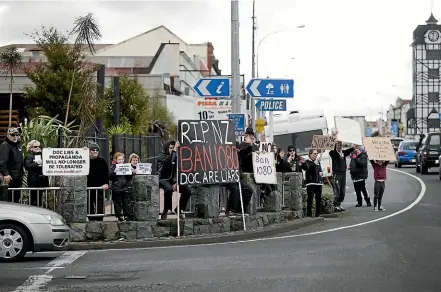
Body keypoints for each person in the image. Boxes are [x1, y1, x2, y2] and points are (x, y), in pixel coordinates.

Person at [157, 140, 192, 219]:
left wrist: (177, 182)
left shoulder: (176, 156)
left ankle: (179, 209)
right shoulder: (162, 156)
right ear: (166, 148)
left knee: (187, 190)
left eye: (173, 148)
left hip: (173, 179)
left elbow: (179, 170)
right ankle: (166, 210)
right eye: (170, 148)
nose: (172, 150)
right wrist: (174, 151)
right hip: (163, 178)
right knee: (168, 189)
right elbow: (168, 162)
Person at [224, 127, 254, 216]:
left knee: (248, 190)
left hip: (237, 176)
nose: (236, 150)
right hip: (227, 176)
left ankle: (239, 209)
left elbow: (245, 151)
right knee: (235, 189)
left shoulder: (238, 153)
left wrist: (250, 144)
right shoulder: (224, 152)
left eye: (237, 149)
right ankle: (230, 209)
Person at [329, 134, 354, 212]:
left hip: (343, 174)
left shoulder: (343, 153)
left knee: (342, 191)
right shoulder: (333, 154)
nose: (339, 146)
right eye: (337, 145)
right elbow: (331, 151)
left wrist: (354, 146)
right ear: (335, 146)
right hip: (336, 174)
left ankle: (339, 204)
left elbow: (349, 150)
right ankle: (336, 205)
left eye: (340, 145)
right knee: (337, 190)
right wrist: (334, 137)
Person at [109, 152, 135, 221]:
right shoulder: (112, 167)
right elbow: (110, 177)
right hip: (116, 188)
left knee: (126, 202)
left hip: (125, 187)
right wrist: (115, 172)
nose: (121, 161)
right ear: (115, 160)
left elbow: (129, 179)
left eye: (122, 159)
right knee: (117, 203)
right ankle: (119, 216)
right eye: (119, 159)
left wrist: (130, 173)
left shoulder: (126, 166)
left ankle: (126, 215)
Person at [86, 142, 109, 221]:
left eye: (97, 150)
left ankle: (99, 220)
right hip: (88, 187)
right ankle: (91, 220)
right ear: (89, 151)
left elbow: (107, 174)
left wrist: (106, 183)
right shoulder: (84, 161)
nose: (95, 151)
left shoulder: (102, 161)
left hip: (100, 187)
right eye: (93, 150)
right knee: (89, 204)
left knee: (99, 204)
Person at [0, 128, 24, 203]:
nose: (15, 136)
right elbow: (2, 162)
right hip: (10, 177)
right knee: (9, 200)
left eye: (17, 134)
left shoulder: (18, 145)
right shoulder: (5, 145)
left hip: (18, 176)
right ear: (8, 135)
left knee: (16, 199)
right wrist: (6, 174)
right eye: (13, 135)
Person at [24, 140, 49, 207]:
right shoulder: (29, 156)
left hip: (42, 180)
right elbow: (27, 166)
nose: (38, 148)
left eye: (39, 146)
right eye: (35, 146)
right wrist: (37, 163)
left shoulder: (44, 155)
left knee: (40, 199)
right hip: (33, 181)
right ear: (31, 148)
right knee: (32, 199)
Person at [301, 149, 323, 217]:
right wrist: (314, 164)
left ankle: (318, 213)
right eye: (314, 154)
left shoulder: (318, 162)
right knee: (310, 199)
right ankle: (309, 214)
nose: (316, 155)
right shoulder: (307, 161)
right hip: (311, 183)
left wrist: (321, 172)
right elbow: (307, 168)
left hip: (318, 183)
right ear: (310, 154)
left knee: (318, 199)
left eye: (316, 154)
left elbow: (320, 169)